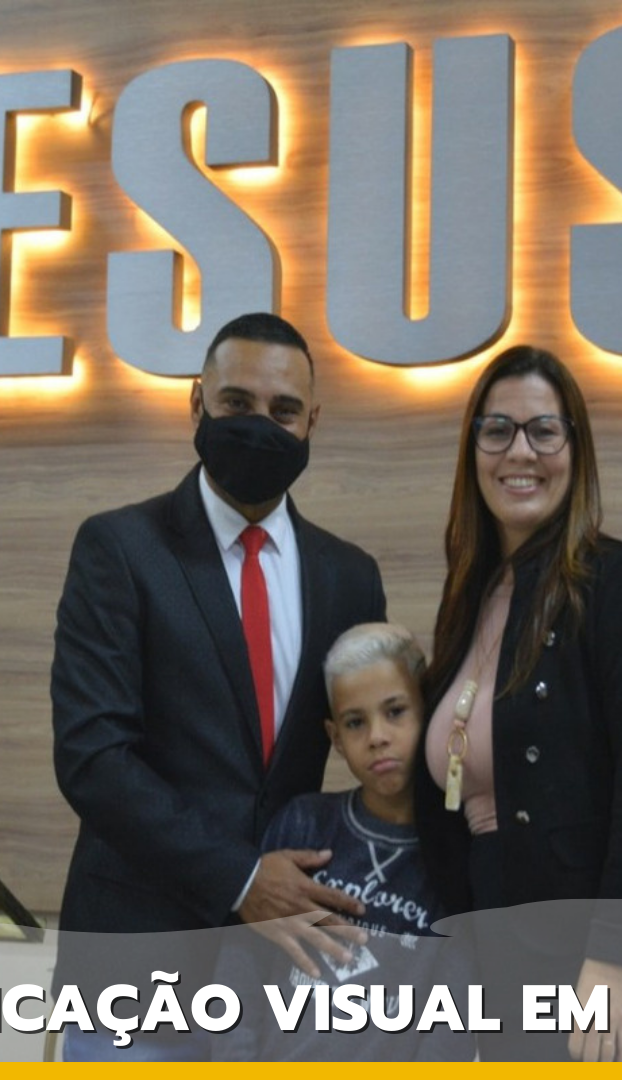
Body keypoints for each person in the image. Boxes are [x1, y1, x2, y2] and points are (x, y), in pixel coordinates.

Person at [51, 312, 387, 1060]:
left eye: (284, 411)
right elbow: (93, 758)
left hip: (282, 980)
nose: (260, 426)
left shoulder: (350, 578)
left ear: (312, 423)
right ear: (196, 402)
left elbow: (372, 750)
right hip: (133, 971)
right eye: (237, 403)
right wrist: (240, 879)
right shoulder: (120, 549)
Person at [416, 344, 622, 1062]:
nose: (521, 451)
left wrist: (614, 957)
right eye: (498, 430)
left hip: (602, 963)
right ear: (473, 452)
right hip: (504, 943)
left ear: (576, 449)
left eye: (545, 430)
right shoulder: (473, 598)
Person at [213, 622, 475, 1061]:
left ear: (429, 710)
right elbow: (240, 974)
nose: (377, 737)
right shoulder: (303, 824)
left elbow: (454, 1018)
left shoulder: (456, 854)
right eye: (356, 722)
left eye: (395, 712)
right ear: (335, 737)